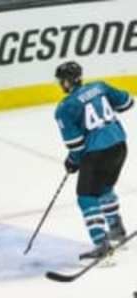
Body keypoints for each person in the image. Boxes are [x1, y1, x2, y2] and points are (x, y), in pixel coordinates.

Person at [54, 61, 134, 259]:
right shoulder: (99, 86)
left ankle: (101, 244)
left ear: (66, 82)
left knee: (87, 197)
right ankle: (116, 229)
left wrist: (73, 161)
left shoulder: (64, 108)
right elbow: (127, 102)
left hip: (98, 153)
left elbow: (76, 145)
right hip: (119, 145)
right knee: (105, 188)